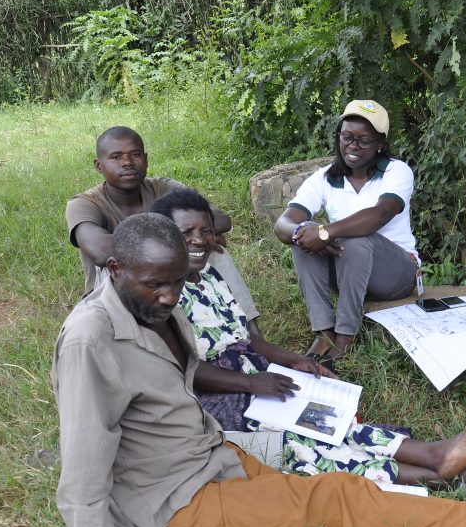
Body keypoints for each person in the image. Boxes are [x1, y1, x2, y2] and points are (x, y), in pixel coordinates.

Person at [51, 213, 466, 527]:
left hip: (213, 458)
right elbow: (81, 474)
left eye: (175, 283)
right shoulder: (89, 341)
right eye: (155, 286)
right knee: (330, 502)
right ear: (114, 270)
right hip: (174, 496)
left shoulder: (150, 304)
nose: (169, 297)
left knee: (340, 496)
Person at [150, 188, 466, 487]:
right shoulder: (162, 295)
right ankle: (437, 474)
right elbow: (185, 371)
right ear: (164, 236)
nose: (199, 240)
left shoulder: (208, 276)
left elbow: (248, 340)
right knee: (301, 438)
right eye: (186, 233)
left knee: (324, 414)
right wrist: (251, 383)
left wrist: (296, 362)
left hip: (250, 374)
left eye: (206, 231)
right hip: (213, 400)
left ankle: (433, 454)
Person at [65, 126, 294, 367]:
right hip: (120, 286)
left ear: (146, 158)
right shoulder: (84, 204)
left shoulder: (162, 187)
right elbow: (101, 251)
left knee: (214, 251)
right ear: (98, 165)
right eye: (116, 157)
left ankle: (249, 334)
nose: (128, 162)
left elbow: (219, 219)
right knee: (131, 261)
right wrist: (178, 238)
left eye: (136, 154)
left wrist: (198, 235)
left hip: (169, 275)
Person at [273, 100, 419, 364]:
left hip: (396, 274)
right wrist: (303, 232)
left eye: (364, 140)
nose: (353, 145)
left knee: (354, 235)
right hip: (349, 272)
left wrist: (327, 232)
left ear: (380, 144)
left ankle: (344, 335)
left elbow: (380, 214)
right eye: (347, 137)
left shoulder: (397, 171)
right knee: (303, 231)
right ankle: (323, 331)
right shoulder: (325, 177)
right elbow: (283, 224)